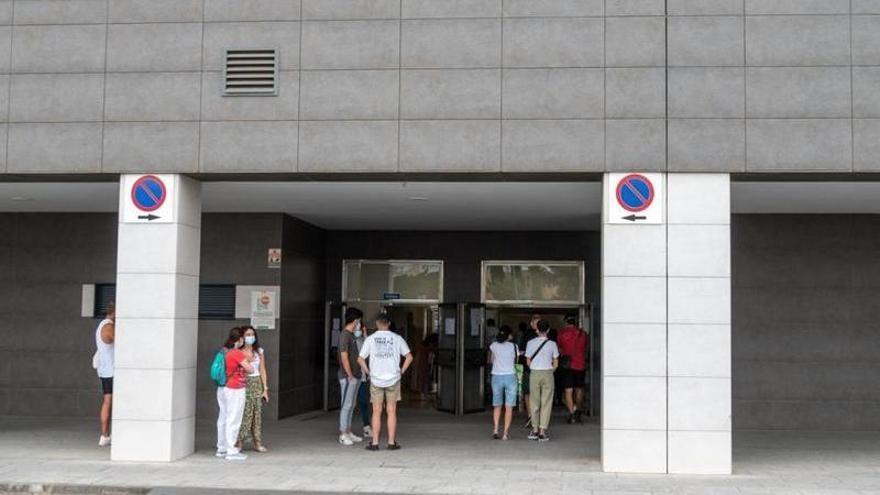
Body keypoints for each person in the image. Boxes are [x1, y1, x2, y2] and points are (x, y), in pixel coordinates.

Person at [357, 312, 413, 451]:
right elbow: (409, 357)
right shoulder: (397, 338)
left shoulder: (370, 339)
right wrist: (401, 371)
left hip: (376, 379)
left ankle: (375, 443)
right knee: (391, 411)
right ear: (388, 324)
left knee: (376, 411)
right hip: (393, 379)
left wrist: (369, 372)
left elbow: (360, 359)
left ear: (377, 324)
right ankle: (391, 442)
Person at [218, 327, 255, 461]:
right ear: (240, 339)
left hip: (229, 388)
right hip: (235, 389)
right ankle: (231, 450)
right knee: (234, 419)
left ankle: (225, 448)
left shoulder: (229, 352)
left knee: (228, 418)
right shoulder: (237, 353)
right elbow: (250, 369)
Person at [525, 320, 559, 442]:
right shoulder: (552, 344)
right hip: (548, 373)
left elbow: (528, 361)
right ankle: (542, 432)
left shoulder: (530, 343)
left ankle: (534, 430)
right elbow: (556, 362)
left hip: (534, 373)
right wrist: (550, 371)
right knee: (546, 402)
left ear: (537, 330)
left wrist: (535, 369)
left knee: (534, 401)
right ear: (548, 330)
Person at [236, 326, 269, 452]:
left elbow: (262, 369)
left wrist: (264, 388)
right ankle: (239, 441)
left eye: (252, 334)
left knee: (256, 413)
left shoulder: (259, 351)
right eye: (247, 334)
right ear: (242, 337)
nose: (250, 337)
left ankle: (257, 441)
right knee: (245, 413)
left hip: (256, 383)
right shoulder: (238, 351)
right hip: (244, 382)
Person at [338, 307, 365, 446]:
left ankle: (348, 431)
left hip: (356, 375)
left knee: (351, 405)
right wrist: (350, 375)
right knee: (346, 405)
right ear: (355, 320)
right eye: (359, 320)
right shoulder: (345, 335)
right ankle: (343, 434)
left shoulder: (353, 335)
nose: (360, 323)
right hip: (349, 377)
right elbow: (344, 357)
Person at [557, 315, 588, 424]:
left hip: (568, 365)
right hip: (580, 364)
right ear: (575, 323)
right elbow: (585, 347)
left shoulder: (562, 333)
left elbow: (559, 348)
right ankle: (578, 410)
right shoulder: (583, 333)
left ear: (566, 323)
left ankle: (572, 414)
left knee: (568, 390)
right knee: (579, 388)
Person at [488, 325, 518, 440]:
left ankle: (495, 430)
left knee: (497, 405)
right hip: (510, 377)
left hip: (496, 377)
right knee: (509, 407)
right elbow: (516, 360)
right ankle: (505, 434)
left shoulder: (494, 346)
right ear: (509, 335)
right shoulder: (514, 346)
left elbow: (491, 360)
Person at [94, 302, 115, 447]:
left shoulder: (101, 325)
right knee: (110, 403)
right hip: (112, 371)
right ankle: (106, 434)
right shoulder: (109, 327)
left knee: (107, 401)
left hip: (105, 370)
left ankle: (105, 435)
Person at [518, 315, 540, 428]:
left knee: (530, 393)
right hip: (535, 368)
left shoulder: (526, 334)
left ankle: (532, 415)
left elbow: (521, 351)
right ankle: (533, 416)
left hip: (531, 368)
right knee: (532, 393)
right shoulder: (546, 335)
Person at [355, 321, 372, 439]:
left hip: (363, 378)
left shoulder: (364, 340)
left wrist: (365, 334)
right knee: (349, 404)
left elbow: (370, 352)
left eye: (360, 327)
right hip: (352, 377)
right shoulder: (348, 339)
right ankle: (345, 431)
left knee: (364, 403)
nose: (358, 329)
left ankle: (366, 427)